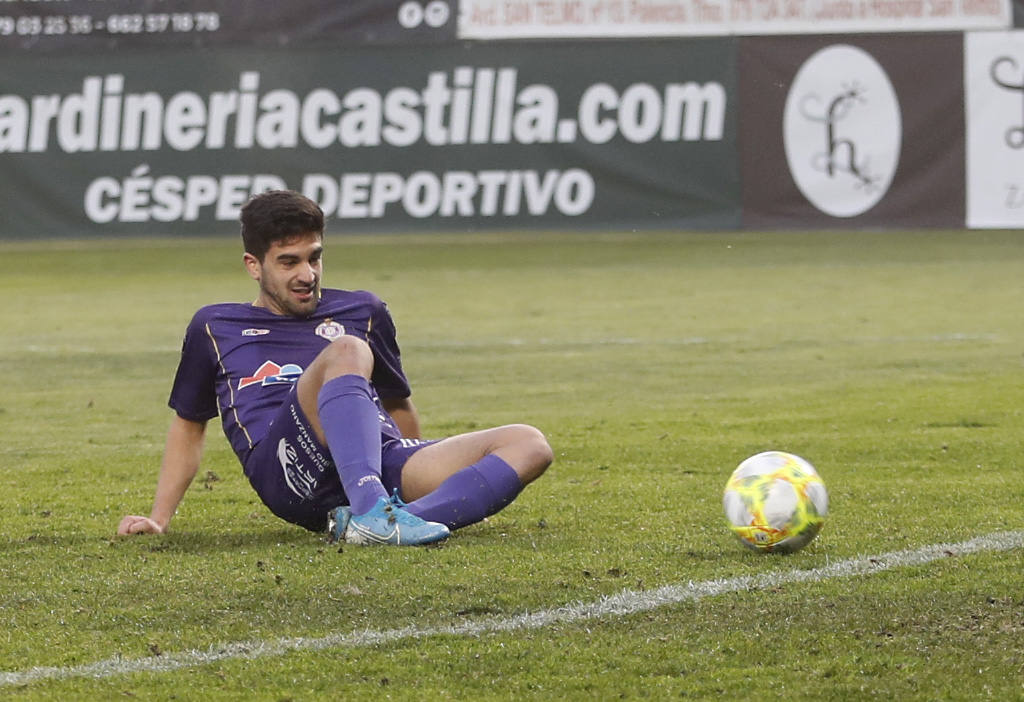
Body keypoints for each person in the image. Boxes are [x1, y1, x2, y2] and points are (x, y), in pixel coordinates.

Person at [117, 190, 553, 546]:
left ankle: (381, 521)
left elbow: (397, 405)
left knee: (529, 444)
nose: (307, 274)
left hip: (376, 462)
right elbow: (188, 426)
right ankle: (373, 512)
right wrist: (160, 518)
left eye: (314, 257)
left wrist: (418, 467)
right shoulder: (215, 326)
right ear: (254, 265)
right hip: (290, 468)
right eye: (289, 262)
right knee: (346, 350)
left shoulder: (363, 310)